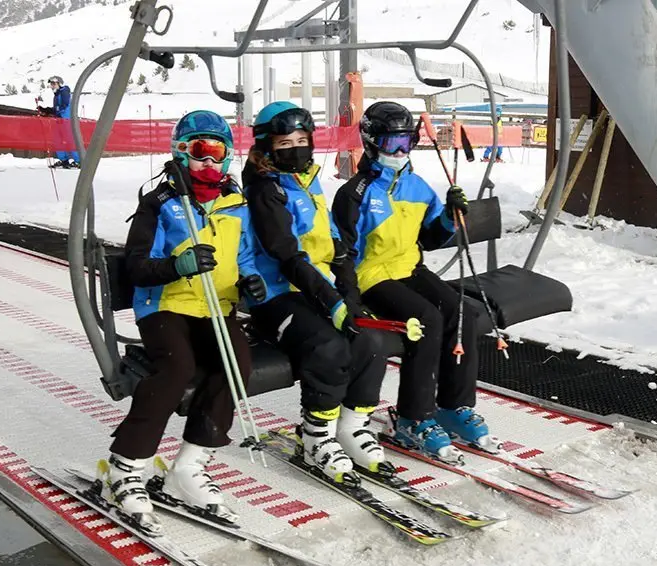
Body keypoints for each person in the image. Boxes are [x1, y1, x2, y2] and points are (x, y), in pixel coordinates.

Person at [103, 110, 264, 534]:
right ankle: (125, 466)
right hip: (165, 305)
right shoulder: (161, 203)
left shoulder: (236, 203)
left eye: (218, 153)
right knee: (177, 368)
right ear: (180, 153)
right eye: (199, 152)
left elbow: (245, 257)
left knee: (236, 367)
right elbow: (138, 266)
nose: (209, 163)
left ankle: (188, 468)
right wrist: (178, 265)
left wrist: (251, 283)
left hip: (216, 307)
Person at [332, 101, 496, 463]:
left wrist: (452, 218)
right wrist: (350, 297)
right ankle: (412, 417)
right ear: (373, 143)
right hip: (372, 276)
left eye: (407, 142)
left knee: (462, 312)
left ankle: (452, 406)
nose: (401, 151)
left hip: (409, 268)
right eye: (393, 143)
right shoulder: (355, 193)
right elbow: (342, 253)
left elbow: (432, 237)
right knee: (426, 320)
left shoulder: (417, 186)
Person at [242, 101, 389, 483]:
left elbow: (334, 242)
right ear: (266, 145)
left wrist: (350, 300)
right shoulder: (264, 189)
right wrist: (332, 302)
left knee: (370, 337)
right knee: (328, 346)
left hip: (314, 285)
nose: (296, 148)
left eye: (302, 140)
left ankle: (351, 425)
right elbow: (287, 255)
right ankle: (315, 435)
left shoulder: (307, 177)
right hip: (275, 294)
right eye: (285, 141)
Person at [38, 76, 81, 168]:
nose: (52, 86)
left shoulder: (64, 91)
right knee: (58, 140)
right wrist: (47, 110)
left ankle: (79, 161)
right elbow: (57, 108)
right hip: (59, 120)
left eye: (54, 84)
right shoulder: (57, 95)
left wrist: (55, 111)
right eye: (51, 84)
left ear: (59, 84)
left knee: (70, 140)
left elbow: (64, 105)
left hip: (67, 120)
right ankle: (64, 160)